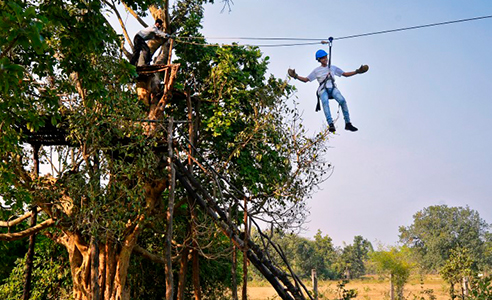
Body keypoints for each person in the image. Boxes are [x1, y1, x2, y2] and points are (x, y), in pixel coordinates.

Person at [288, 49, 368, 133]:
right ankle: (331, 124)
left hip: (333, 88)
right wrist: (295, 76)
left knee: (342, 100)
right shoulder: (316, 71)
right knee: (325, 102)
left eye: (326, 57)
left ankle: (348, 123)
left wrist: (357, 71)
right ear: (319, 60)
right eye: (322, 58)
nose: (325, 59)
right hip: (323, 90)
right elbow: (306, 79)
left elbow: (345, 74)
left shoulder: (332, 68)